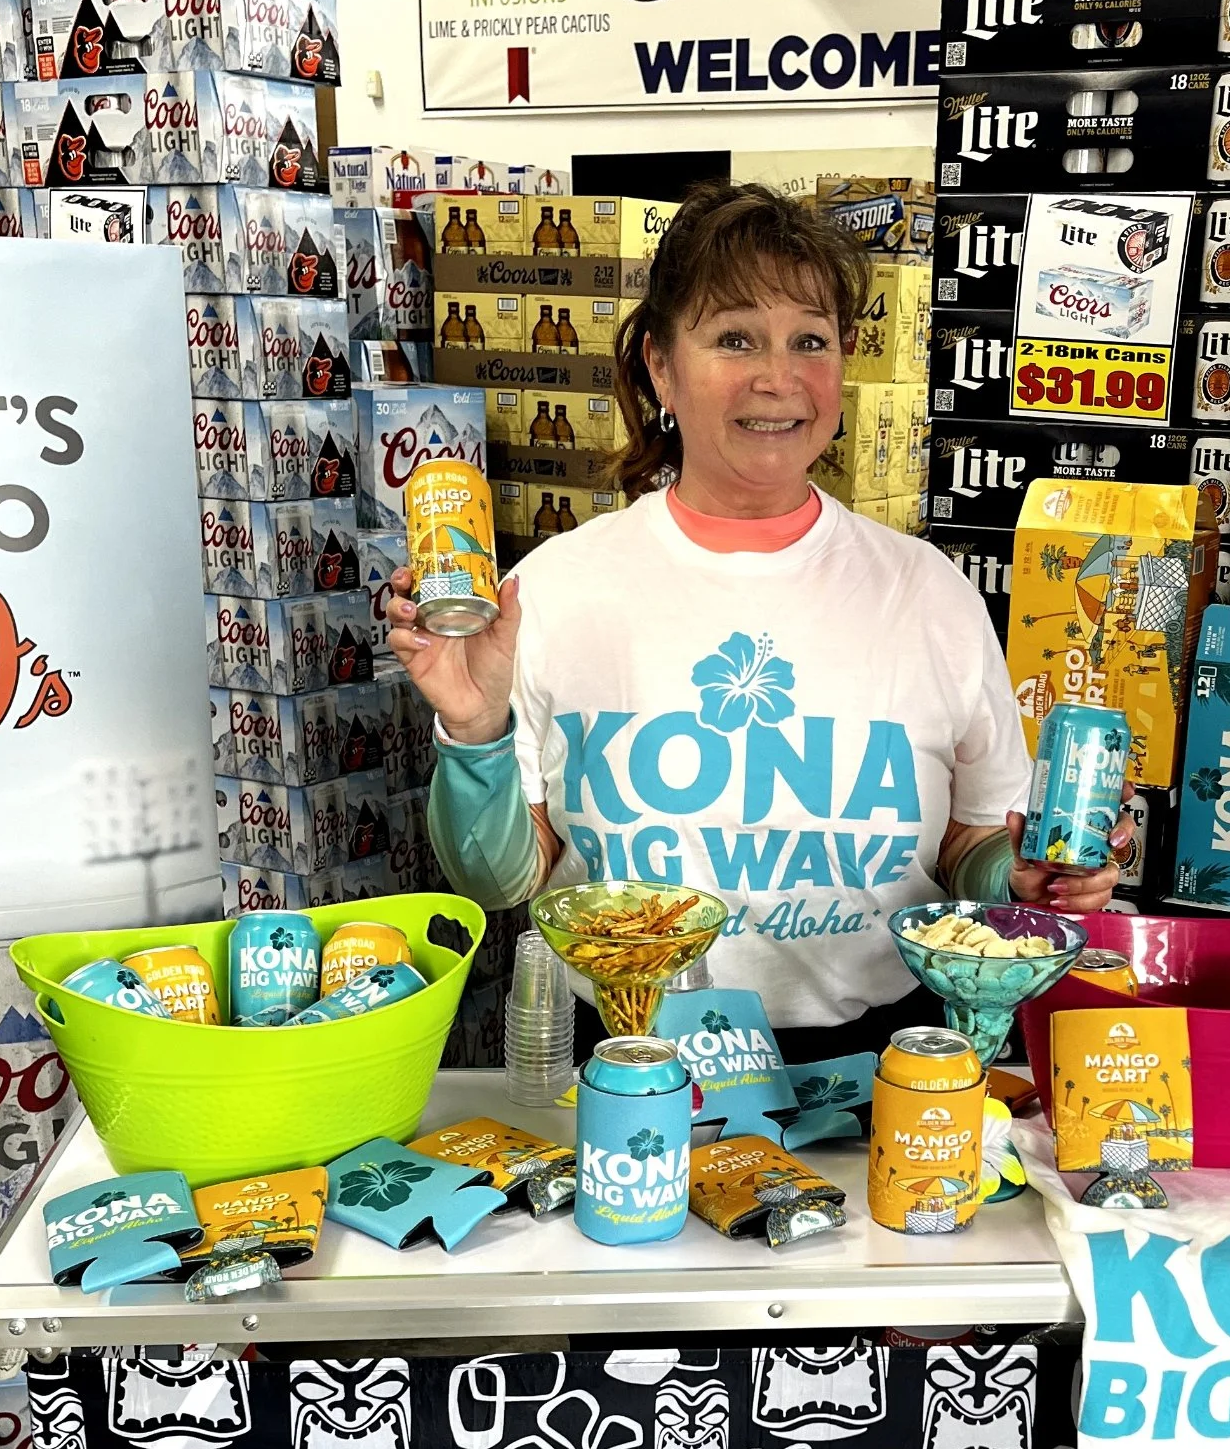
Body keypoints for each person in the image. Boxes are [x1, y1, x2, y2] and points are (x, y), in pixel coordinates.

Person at [390, 181, 1130, 1063]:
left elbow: (966, 841)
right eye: (734, 338)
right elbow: (507, 879)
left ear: (843, 365)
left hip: (879, 1069)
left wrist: (1018, 875)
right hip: (632, 1059)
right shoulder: (552, 590)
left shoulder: (929, 594)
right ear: (661, 364)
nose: (777, 379)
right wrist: (474, 734)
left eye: (809, 341)